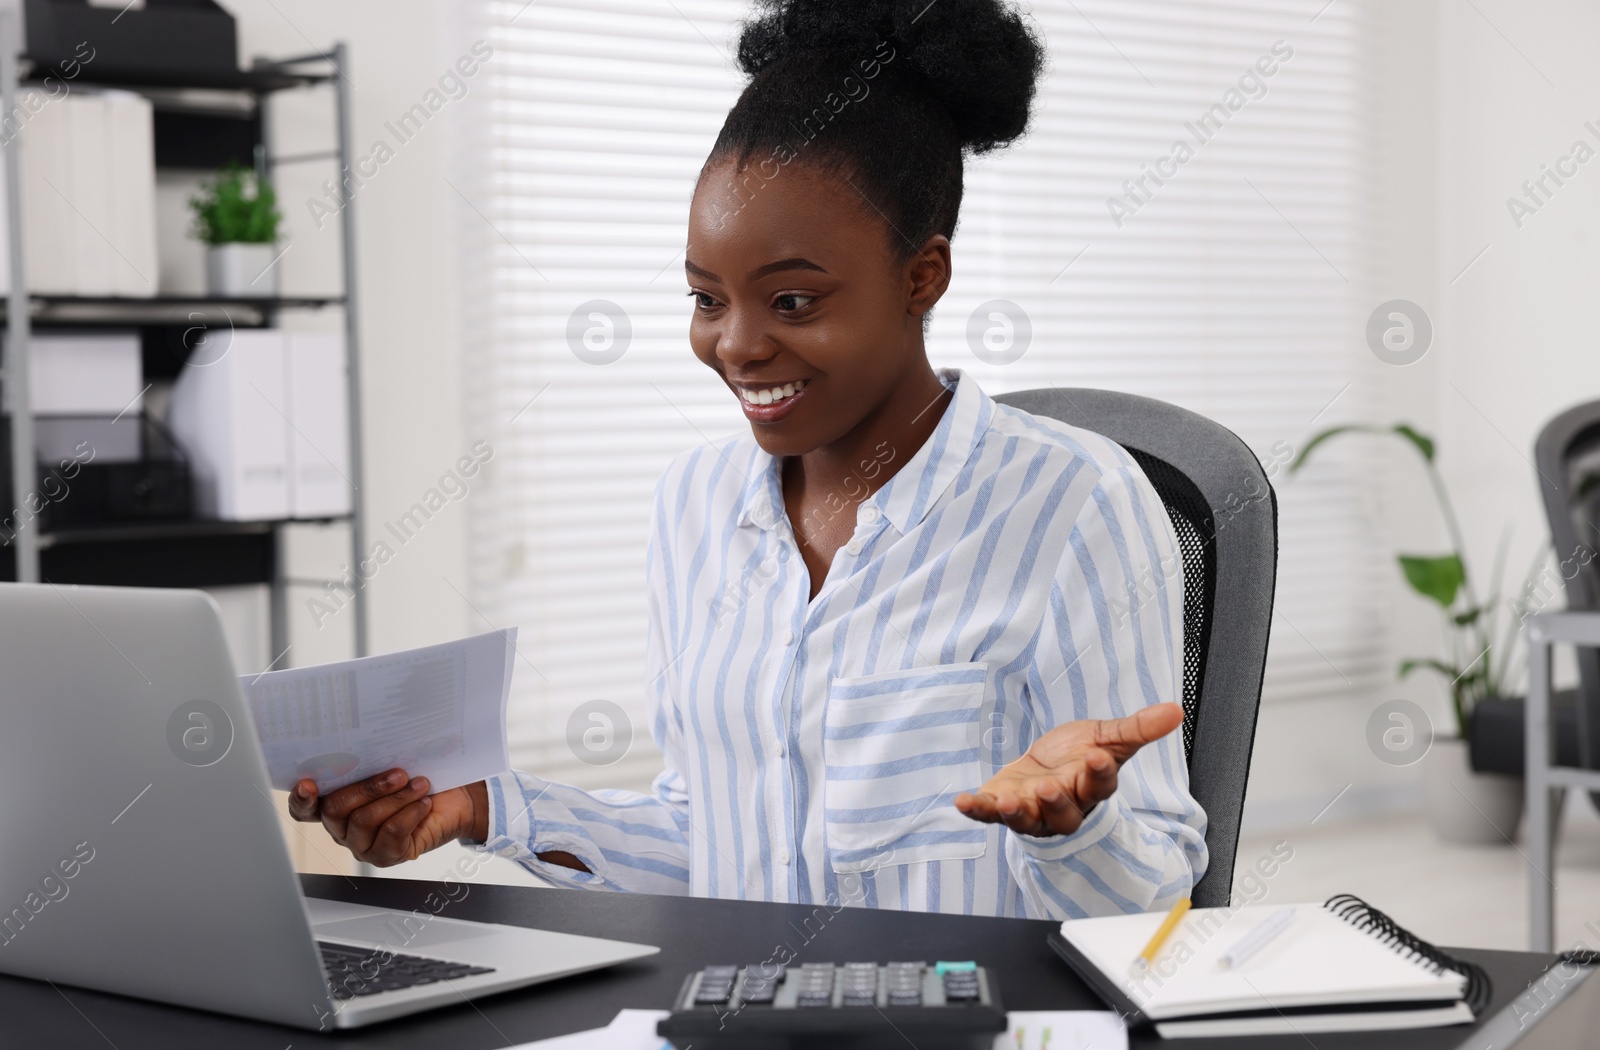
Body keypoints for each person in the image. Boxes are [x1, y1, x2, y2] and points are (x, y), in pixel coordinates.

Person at [290, 0, 1205, 920]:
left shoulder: (1074, 502)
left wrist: (1074, 827)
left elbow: (1157, 886)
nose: (736, 345)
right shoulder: (694, 504)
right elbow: (718, 846)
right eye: (706, 298)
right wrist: (484, 807)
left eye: (794, 301)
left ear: (921, 276)